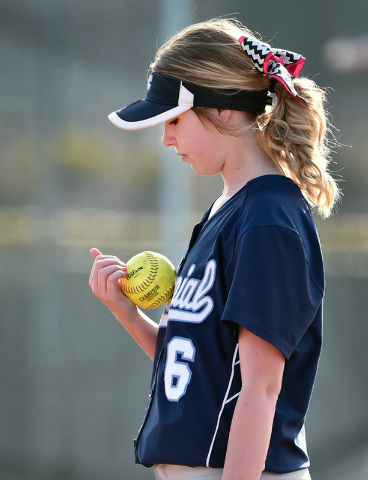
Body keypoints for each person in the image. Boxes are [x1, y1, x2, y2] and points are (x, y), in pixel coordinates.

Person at [89, 18, 340, 480]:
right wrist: (127, 313)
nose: (166, 137)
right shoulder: (228, 210)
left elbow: (259, 389)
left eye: (175, 119)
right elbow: (205, 371)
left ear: (223, 110)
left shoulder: (267, 219)